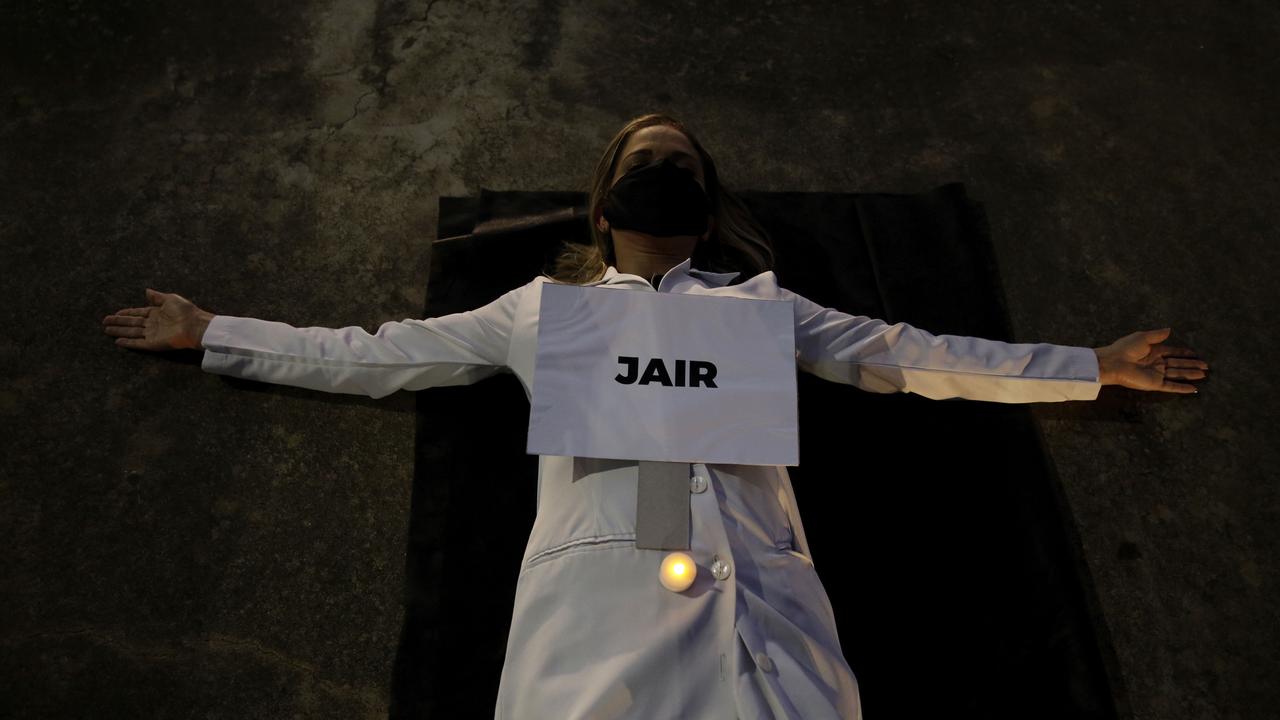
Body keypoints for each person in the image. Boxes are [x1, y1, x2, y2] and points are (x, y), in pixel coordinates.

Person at [102, 113, 1209, 719]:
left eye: (678, 159)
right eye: (643, 157)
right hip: (599, 620)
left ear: (704, 206)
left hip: (764, 603)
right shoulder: (544, 310)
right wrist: (216, 332)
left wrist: (1086, 368)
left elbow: (904, 355)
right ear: (603, 205)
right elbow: (380, 354)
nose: (662, 160)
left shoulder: (761, 309)